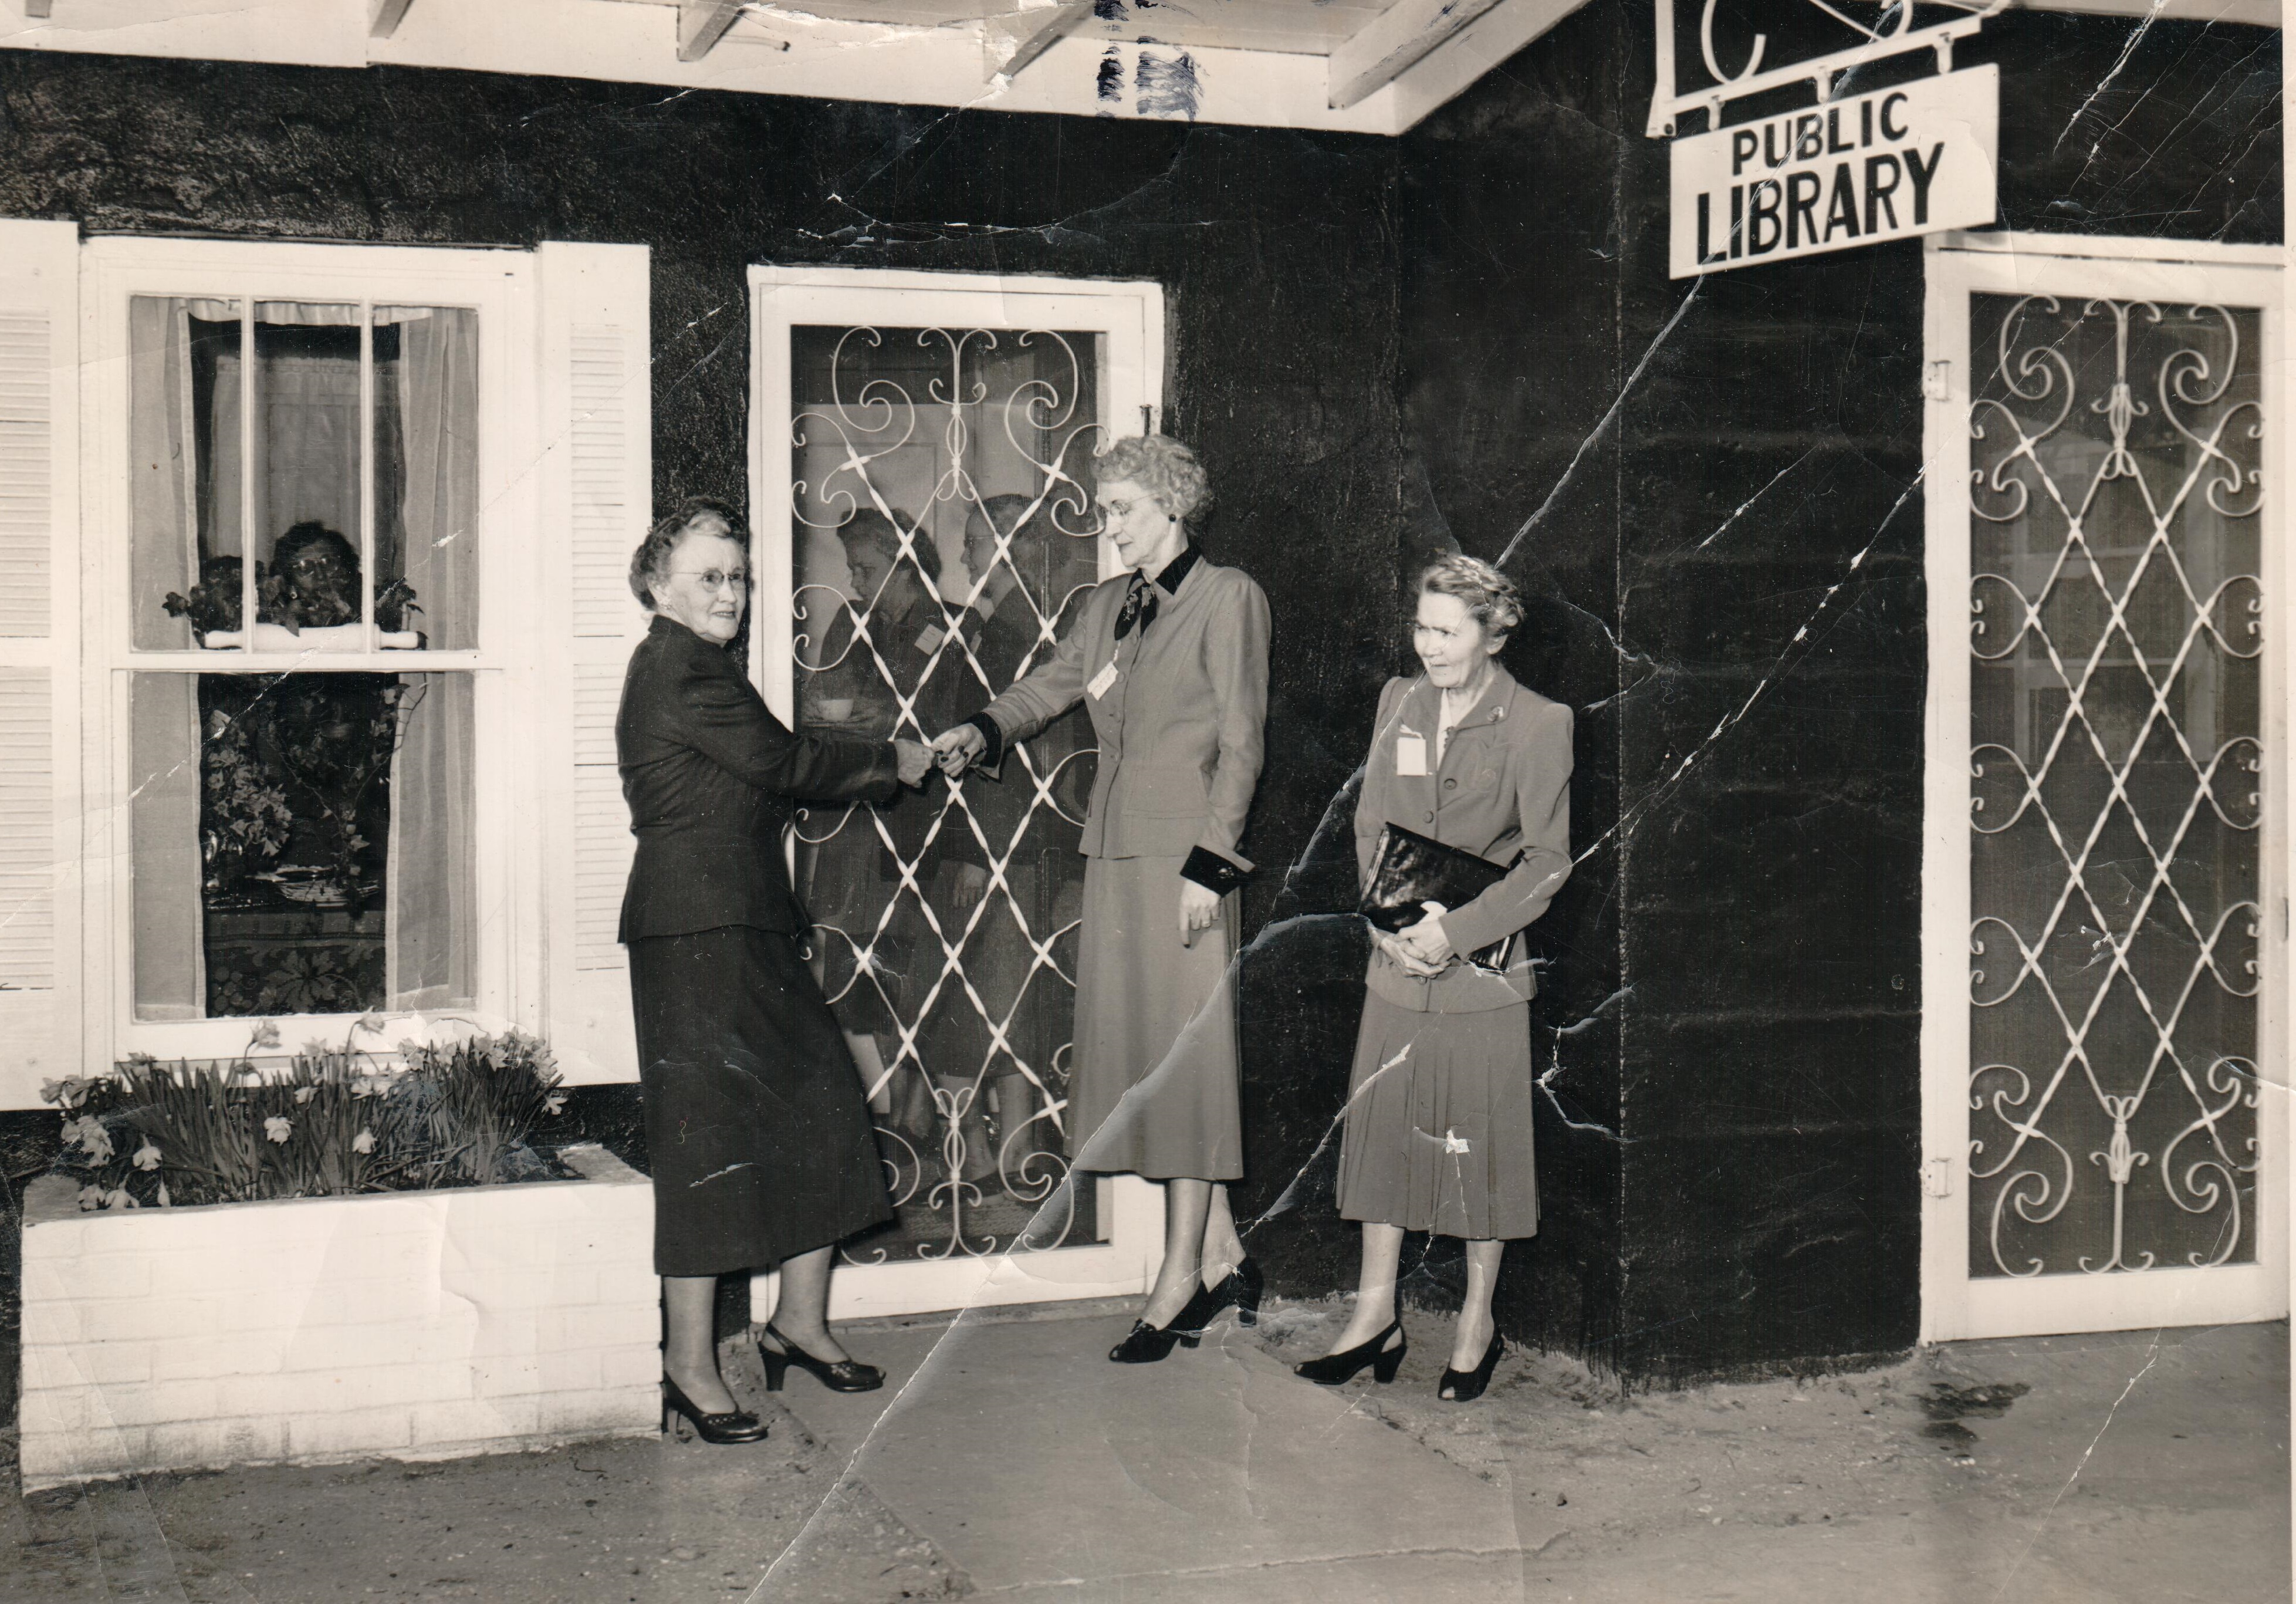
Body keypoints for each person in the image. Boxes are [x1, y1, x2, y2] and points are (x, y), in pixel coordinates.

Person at [932, 437, 1272, 1364]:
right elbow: (1054, 683)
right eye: (1104, 508)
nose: (1106, 525)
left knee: (1185, 1067)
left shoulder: (1228, 595)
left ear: (1171, 505)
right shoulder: (1105, 604)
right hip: (1116, 851)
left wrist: (1213, 861)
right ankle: (1223, 1250)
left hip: (1186, 859)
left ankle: (1179, 1281)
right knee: (1148, 1057)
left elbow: (1241, 740)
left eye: (1120, 508)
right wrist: (982, 724)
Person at [617, 497, 934, 1444]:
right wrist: (896, 759)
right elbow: (784, 760)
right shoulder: (679, 668)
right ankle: (687, 1365)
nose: (729, 593)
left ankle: (797, 1321)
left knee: (823, 1105)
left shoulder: (699, 666)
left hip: (744, 924)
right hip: (695, 931)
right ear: (656, 587)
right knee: (707, 1142)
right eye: (709, 577)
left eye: (739, 577)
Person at [1295, 554, 1573, 1403]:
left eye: (1449, 632)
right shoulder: (1399, 702)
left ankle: (1475, 1323)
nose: (1430, 645)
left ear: (1495, 633)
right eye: (1422, 626)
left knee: (1477, 1149)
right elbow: (1370, 820)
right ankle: (1373, 1314)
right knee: (1383, 1135)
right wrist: (1385, 923)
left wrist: (1453, 930)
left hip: (1482, 970)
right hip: (1394, 964)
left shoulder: (1537, 720)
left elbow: (1546, 861)